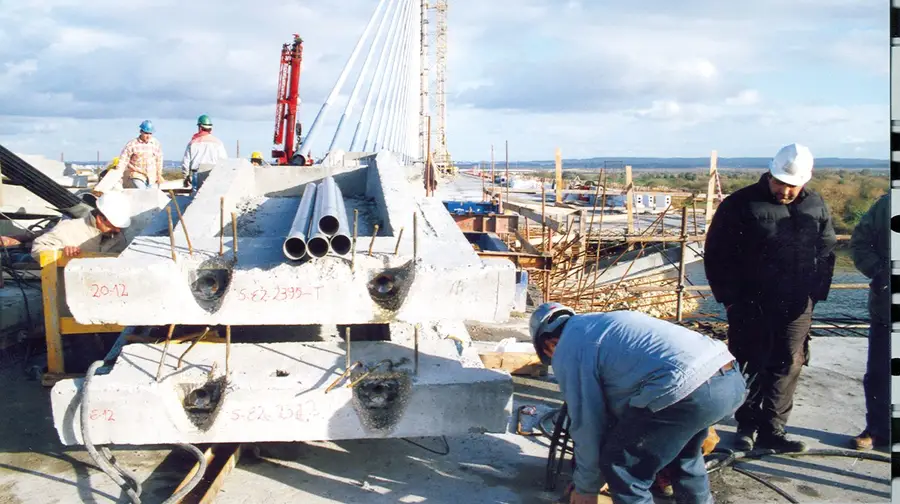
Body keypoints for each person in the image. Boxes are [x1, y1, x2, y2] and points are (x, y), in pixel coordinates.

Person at [531, 303, 746, 504]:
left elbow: (588, 423)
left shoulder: (569, 347)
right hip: (728, 379)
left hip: (686, 391)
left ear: (550, 343)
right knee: (685, 458)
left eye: (550, 357)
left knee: (623, 466)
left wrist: (586, 488)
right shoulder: (599, 324)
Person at [704, 142, 837, 453]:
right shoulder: (740, 204)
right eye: (780, 183)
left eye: (792, 186)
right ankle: (746, 425)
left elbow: (827, 249)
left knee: (789, 362)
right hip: (751, 301)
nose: (785, 191)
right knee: (749, 362)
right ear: (769, 175)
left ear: (805, 181)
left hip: (796, 303)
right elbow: (717, 254)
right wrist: (730, 299)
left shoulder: (815, 205)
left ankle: (773, 430)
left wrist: (816, 293)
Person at [849, 194, 890, 450]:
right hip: (887, 309)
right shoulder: (888, 205)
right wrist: (880, 272)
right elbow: (860, 242)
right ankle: (878, 430)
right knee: (879, 374)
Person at [30, 192, 132, 261]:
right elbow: (37, 249)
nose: (118, 230)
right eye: (113, 225)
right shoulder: (68, 228)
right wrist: (61, 252)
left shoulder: (118, 238)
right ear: (100, 219)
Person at [182, 114, 228, 191]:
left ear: (200, 127)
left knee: (195, 198)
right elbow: (224, 161)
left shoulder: (192, 143)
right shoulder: (218, 143)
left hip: (196, 174)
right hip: (212, 174)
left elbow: (185, 162)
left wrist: (186, 176)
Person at [117, 120, 163, 189]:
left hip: (151, 177)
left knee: (150, 196)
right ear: (141, 132)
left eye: (150, 134)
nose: (148, 136)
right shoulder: (132, 144)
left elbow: (159, 160)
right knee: (142, 191)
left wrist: (159, 175)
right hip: (137, 175)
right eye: (146, 133)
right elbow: (123, 160)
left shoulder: (156, 144)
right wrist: (118, 173)